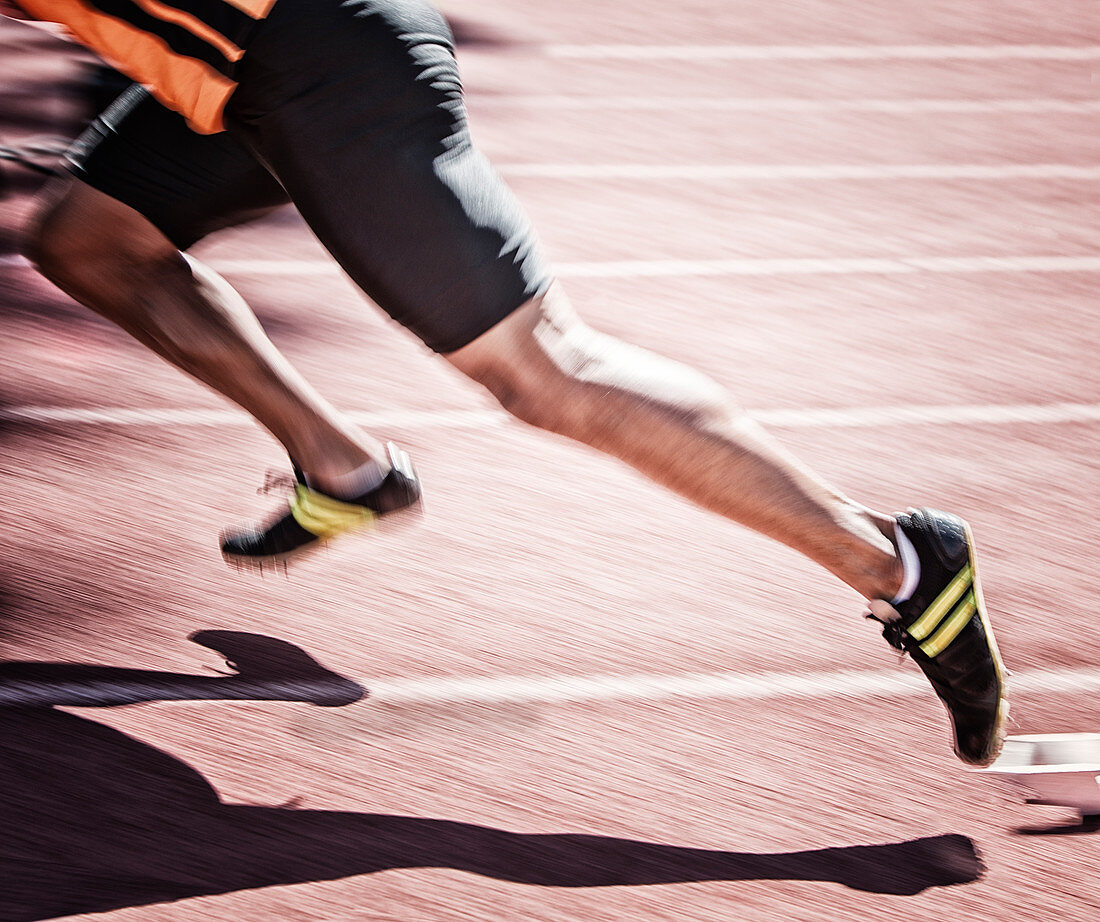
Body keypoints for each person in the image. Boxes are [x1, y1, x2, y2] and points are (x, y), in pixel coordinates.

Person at [1, 0, 1007, 767]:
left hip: (323, 57)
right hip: (232, 76)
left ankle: (899, 565)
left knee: (542, 372)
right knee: (88, 238)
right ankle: (343, 470)